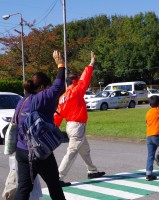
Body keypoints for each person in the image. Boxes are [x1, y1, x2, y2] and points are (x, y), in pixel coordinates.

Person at [13, 50, 66, 200]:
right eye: (47, 87)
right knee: (54, 185)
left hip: (21, 151)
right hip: (38, 152)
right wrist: (60, 64)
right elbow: (58, 85)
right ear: (42, 87)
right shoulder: (41, 98)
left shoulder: (22, 101)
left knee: (24, 188)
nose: (50, 90)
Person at [54, 51, 105, 187]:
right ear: (74, 81)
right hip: (77, 126)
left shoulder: (62, 97)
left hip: (70, 125)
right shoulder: (76, 91)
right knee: (71, 152)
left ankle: (92, 170)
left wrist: (54, 127)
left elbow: (58, 114)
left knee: (85, 150)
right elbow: (85, 78)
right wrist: (91, 63)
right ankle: (58, 177)